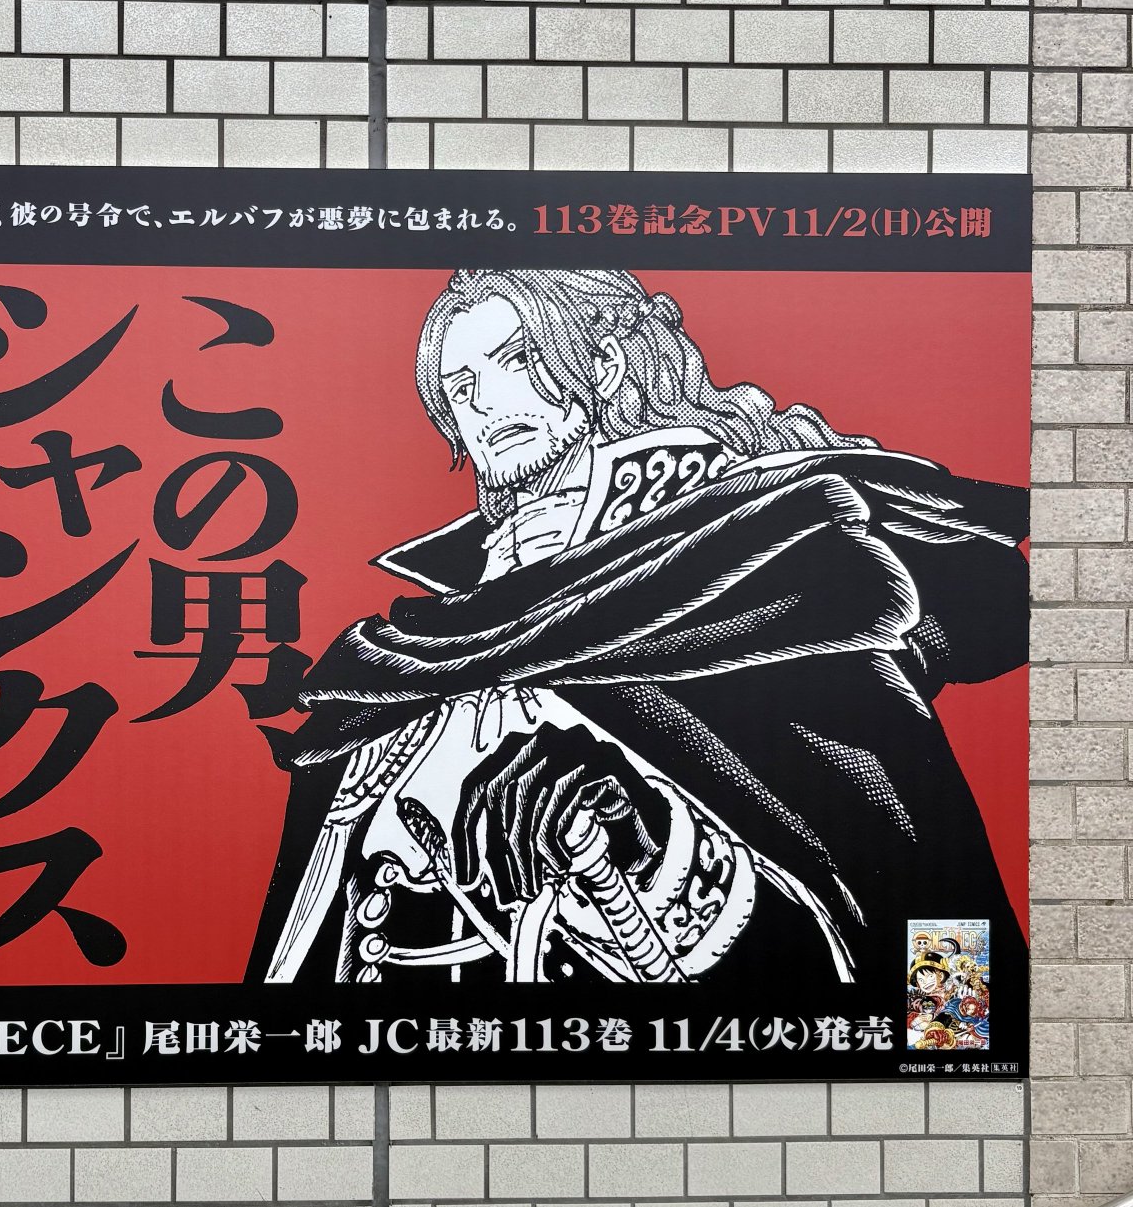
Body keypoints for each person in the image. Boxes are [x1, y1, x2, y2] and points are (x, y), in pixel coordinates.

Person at [252, 267, 1027, 990]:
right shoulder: (407, 663)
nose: (484, 402)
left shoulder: (762, 571)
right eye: (460, 387)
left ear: (604, 367)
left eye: (517, 360)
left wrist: (646, 842)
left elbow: (934, 926)